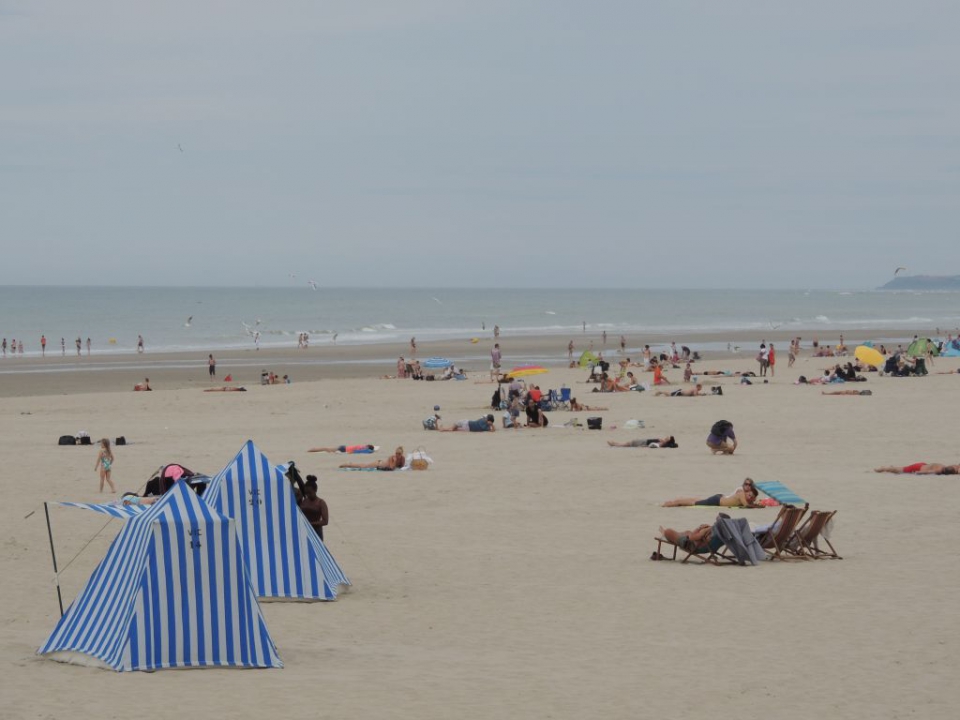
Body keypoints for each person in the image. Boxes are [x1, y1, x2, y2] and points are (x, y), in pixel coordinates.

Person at [663, 478, 761, 507]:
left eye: (749, 485)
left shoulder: (745, 495)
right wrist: (758, 506)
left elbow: (748, 503)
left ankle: (677, 500)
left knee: (697, 500)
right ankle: (672, 503)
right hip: (717, 501)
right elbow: (746, 506)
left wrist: (754, 502)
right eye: (746, 484)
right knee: (694, 503)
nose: (749, 495)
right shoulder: (741, 493)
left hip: (720, 498)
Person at [657, 523, 724, 555]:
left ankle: (665, 533)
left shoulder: (707, 530)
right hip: (707, 547)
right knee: (687, 532)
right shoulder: (724, 534)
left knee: (668, 531)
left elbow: (692, 538)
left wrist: (699, 528)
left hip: (691, 545)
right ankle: (673, 535)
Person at [299, 475, 329, 540]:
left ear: (315, 490)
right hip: (304, 531)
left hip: (316, 531)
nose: (308, 495)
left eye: (310, 493)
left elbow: (325, 521)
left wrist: (310, 524)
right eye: (306, 493)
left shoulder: (321, 503)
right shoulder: (304, 501)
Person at [340, 446, 407, 470]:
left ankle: (350, 463)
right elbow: (391, 468)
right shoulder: (392, 458)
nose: (397, 455)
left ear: (402, 454)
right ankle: (349, 464)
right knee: (363, 466)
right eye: (396, 453)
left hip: (381, 464)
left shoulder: (403, 458)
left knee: (363, 465)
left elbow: (402, 467)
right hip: (378, 463)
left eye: (399, 454)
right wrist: (395, 461)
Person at [874, 463, 960, 475]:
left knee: (899, 469)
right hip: (918, 467)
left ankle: (888, 468)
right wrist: (917, 473)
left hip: (924, 465)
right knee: (898, 470)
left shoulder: (955, 466)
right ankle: (883, 469)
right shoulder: (941, 470)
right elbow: (923, 473)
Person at [608, 436, 678, 448]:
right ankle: (614, 444)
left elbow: (651, 445)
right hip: (642, 441)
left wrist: (642, 446)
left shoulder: (661, 443)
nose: (666, 437)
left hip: (641, 442)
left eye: (667, 438)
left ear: (667, 441)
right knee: (625, 444)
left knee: (624, 444)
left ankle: (613, 444)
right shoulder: (661, 442)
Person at [309, 444, 376, 453]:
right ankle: (312, 450)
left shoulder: (362, 446)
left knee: (326, 448)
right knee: (326, 448)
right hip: (344, 449)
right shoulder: (364, 448)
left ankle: (313, 449)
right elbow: (368, 451)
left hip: (344, 447)